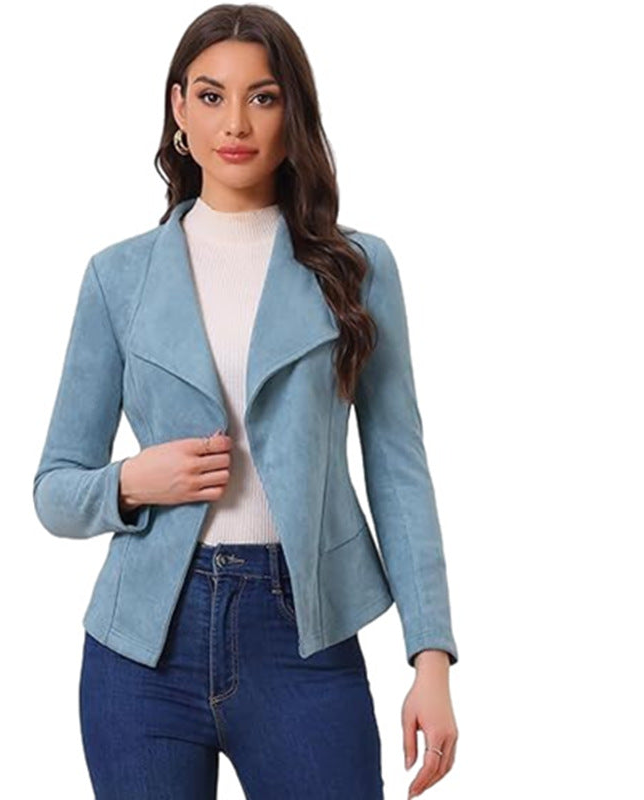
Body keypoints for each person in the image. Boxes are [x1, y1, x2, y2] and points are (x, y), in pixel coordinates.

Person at [33, 5, 459, 799]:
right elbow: (54, 488)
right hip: (141, 651)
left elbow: (399, 469)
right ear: (178, 109)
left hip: (303, 638)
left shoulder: (356, 269)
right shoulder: (116, 278)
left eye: (263, 97)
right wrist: (131, 483)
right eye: (211, 95)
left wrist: (429, 657)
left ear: (293, 112)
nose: (235, 123)